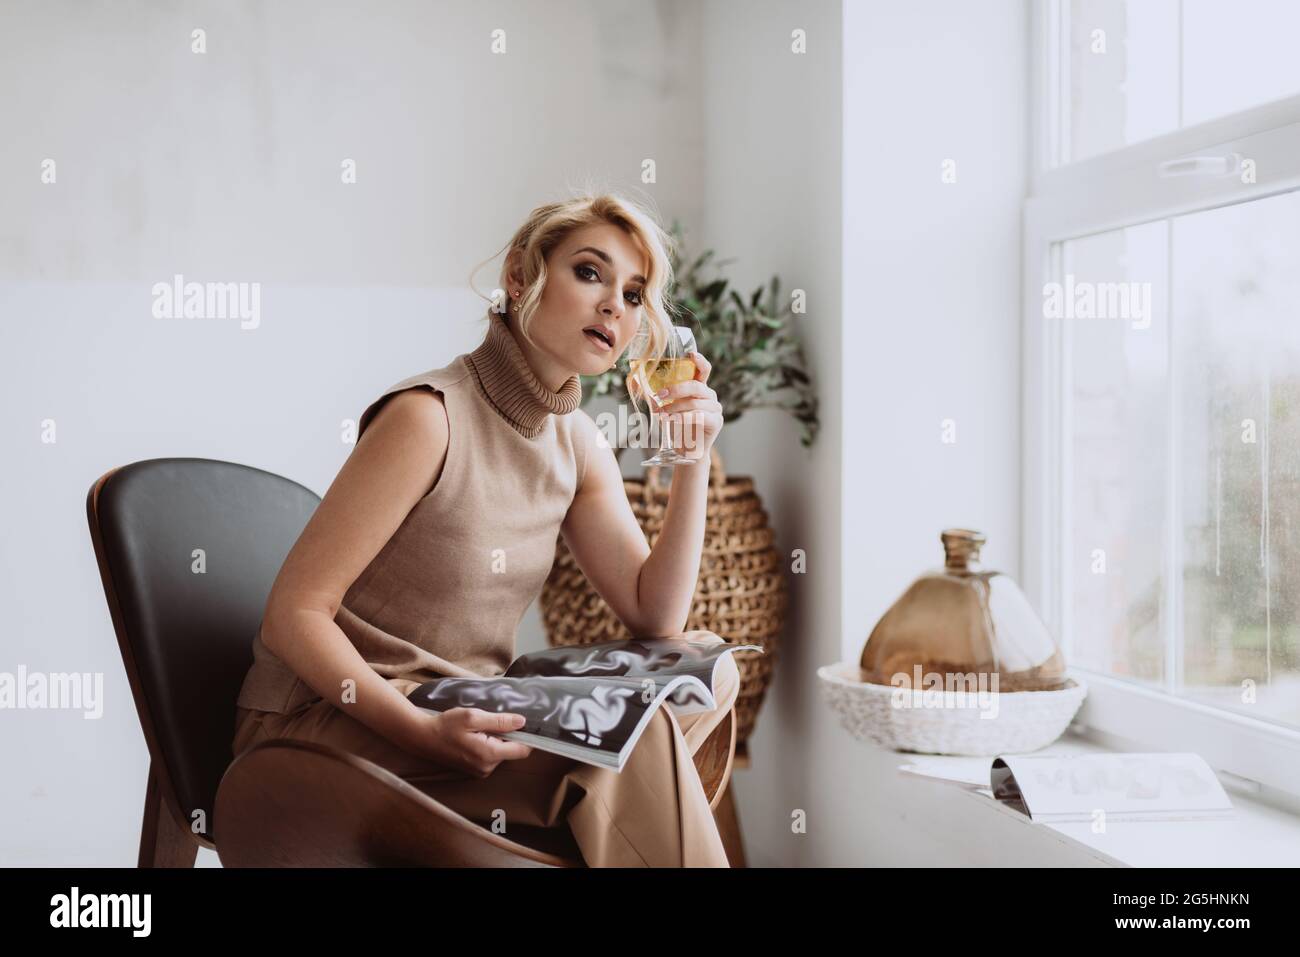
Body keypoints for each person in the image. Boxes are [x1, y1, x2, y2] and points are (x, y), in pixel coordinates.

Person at [230, 192, 739, 866]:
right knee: (635, 745)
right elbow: (294, 615)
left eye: (636, 292)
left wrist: (692, 456)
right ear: (521, 277)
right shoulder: (428, 416)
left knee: (707, 667)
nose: (616, 304)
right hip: (328, 728)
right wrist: (418, 729)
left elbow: (656, 613)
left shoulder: (578, 442)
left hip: (471, 708)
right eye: (590, 272)